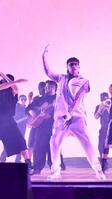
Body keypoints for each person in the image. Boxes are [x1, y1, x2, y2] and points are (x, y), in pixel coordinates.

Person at [42, 45, 105, 180]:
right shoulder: (61, 78)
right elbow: (48, 72)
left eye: (76, 65)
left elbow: (78, 98)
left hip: (77, 118)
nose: (74, 67)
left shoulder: (83, 81)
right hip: (61, 119)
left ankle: (98, 170)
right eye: (71, 65)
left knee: (88, 144)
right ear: (68, 67)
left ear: (79, 67)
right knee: (54, 143)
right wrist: (44, 57)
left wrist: (70, 112)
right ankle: (55, 171)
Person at [27, 80, 57, 174]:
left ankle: (55, 168)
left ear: (55, 88)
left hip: (54, 126)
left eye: (50, 87)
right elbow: (29, 108)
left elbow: (64, 110)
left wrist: (52, 115)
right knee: (38, 147)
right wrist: (36, 115)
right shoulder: (39, 99)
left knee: (53, 148)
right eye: (46, 87)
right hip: (41, 127)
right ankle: (37, 168)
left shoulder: (58, 98)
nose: (47, 88)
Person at [0, 94, 28, 163]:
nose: (23, 101)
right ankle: (2, 158)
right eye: (22, 99)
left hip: (22, 129)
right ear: (19, 100)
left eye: (25, 99)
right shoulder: (15, 107)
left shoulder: (25, 108)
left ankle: (18, 159)